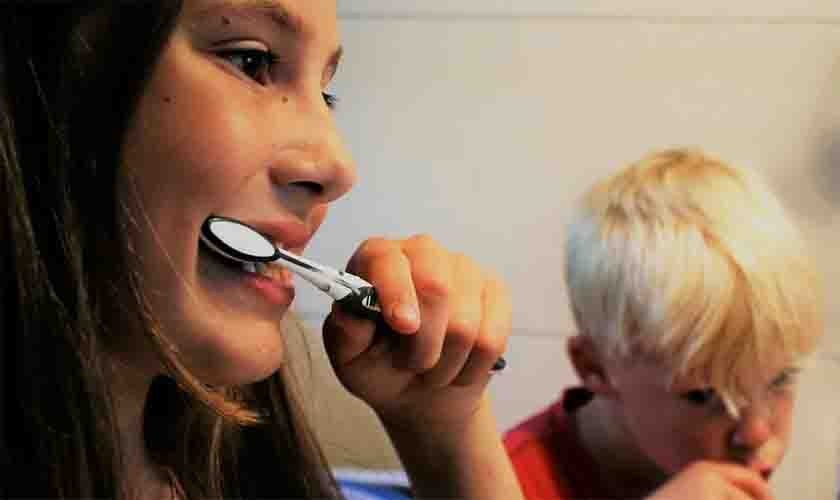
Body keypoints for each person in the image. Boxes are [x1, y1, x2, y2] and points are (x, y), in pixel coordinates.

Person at [1, 2, 522, 499]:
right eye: (251, 61)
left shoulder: (247, 470)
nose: (338, 168)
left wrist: (443, 433)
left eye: (326, 94)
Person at [504, 148, 823, 500]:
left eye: (781, 379)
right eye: (706, 395)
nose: (757, 434)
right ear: (594, 366)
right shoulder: (502, 485)